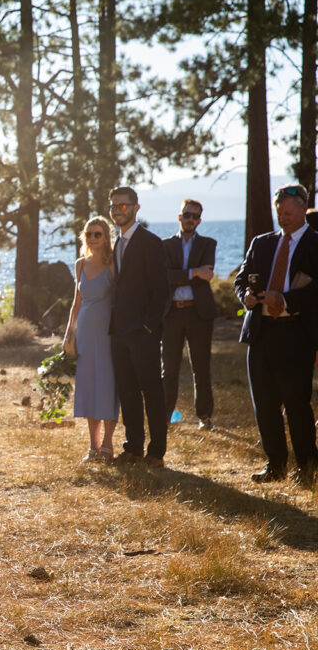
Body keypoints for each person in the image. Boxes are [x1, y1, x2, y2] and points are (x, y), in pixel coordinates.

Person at [234, 183, 318, 486]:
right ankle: (276, 464)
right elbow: (241, 278)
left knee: (296, 402)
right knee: (265, 404)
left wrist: (285, 300)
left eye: (287, 211)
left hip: (296, 334)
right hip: (260, 332)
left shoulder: (314, 244)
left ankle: (307, 466)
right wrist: (246, 296)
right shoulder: (262, 243)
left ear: (302, 208)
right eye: (278, 211)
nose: (281, 216)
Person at [108, 187, 170, 468]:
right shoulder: (115, 243)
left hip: (142, 332)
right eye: (114, 206)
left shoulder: (150, 242)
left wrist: (149, 325)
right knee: (127, 392)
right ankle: (133, 448)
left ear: (136, 208)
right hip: (118, 332)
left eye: (123, 206)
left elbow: (161, 289)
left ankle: (156, 452)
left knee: (151, 392)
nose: (118, 210)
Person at [63, 217, 119, 462]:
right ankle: (92, 445)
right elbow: (76, 303)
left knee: (107, 385)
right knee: (88, 386)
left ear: (106, 237)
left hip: (107, 332)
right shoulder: (79, 264)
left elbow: (119, 299)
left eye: (98, 234)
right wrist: (69, 333)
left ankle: (107, 443)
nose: (93, 238)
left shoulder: (113, 263)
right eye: (89, 234)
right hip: (85, 331)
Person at [161, 199, 217, 431]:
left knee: (201, 367)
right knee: (169, 368)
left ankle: (204, 416)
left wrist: (181, 274)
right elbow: (164, 276)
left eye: (195, 216)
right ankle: (163, 417)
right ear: (179, 216)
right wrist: (194, 272)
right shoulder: (165, 245)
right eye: (187, 215)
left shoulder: (208, 244)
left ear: (199, 220)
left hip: (198, 313)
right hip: (172, 313)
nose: (190, 219)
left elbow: (209, 273)